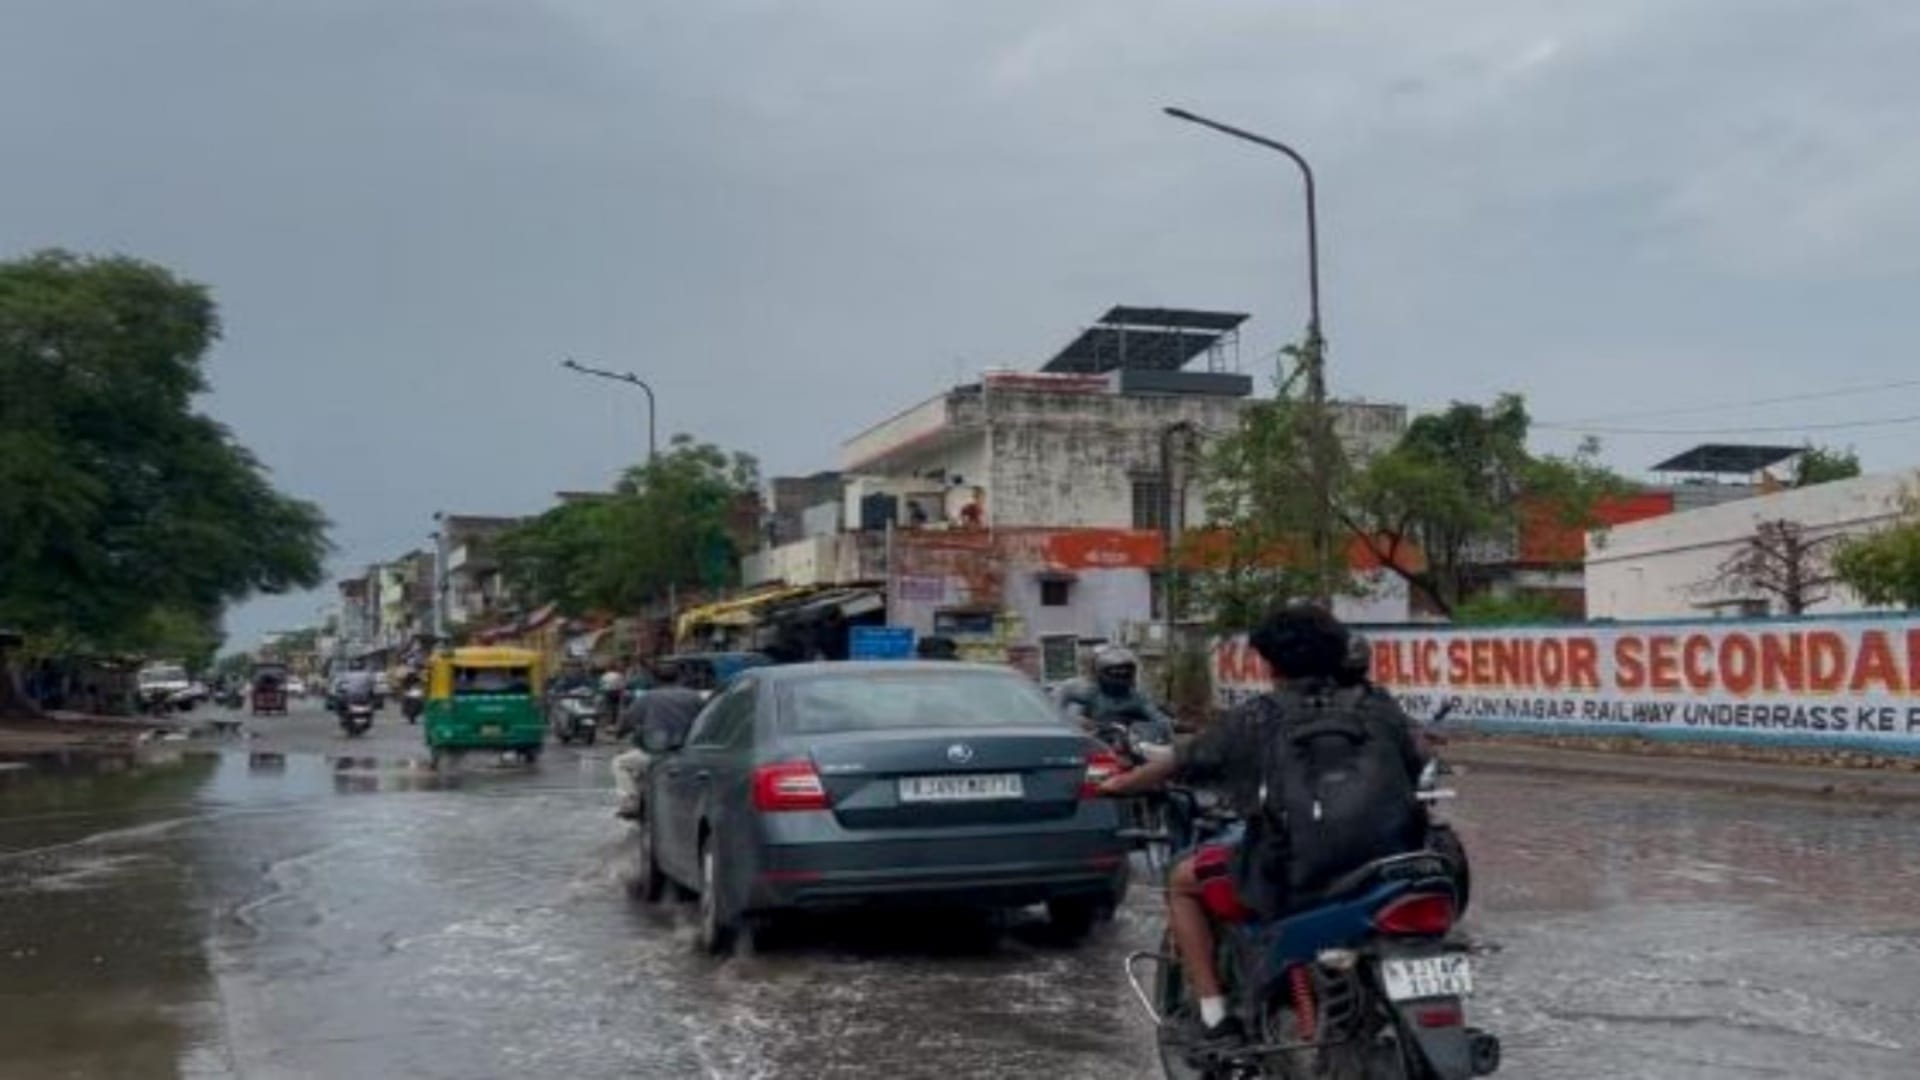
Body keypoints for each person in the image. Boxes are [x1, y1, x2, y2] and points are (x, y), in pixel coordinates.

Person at [1101, 605, 1429, 1054]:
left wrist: (1118, 783)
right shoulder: (1379, 706)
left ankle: (1214, 1017)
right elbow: (1418, 763)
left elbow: (1182, 761)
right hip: (1390, 867)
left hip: (1294, 873)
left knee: (1181, 879)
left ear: (1269, 662)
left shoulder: (1258, 716)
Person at [610, 661, 708, 820]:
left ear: (654, 679)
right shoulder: (694, 697)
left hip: (656, 752)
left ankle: (630, 803)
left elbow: (628, 721)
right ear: (679, 677)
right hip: (687, 753)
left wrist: (618, 732)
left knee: (620, 763)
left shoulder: (647, 698)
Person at [1052, 644, 1175, 744]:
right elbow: (1056, 703)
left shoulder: (1137, 696)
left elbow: (1158, 718)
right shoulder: (1087, 691)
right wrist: (1076, 720)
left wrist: (1169, 726)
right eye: (1116, 672)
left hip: (1130, 743)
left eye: (1126, 671)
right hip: (1093, 742)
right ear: (1099, 672)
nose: (1121, 674)